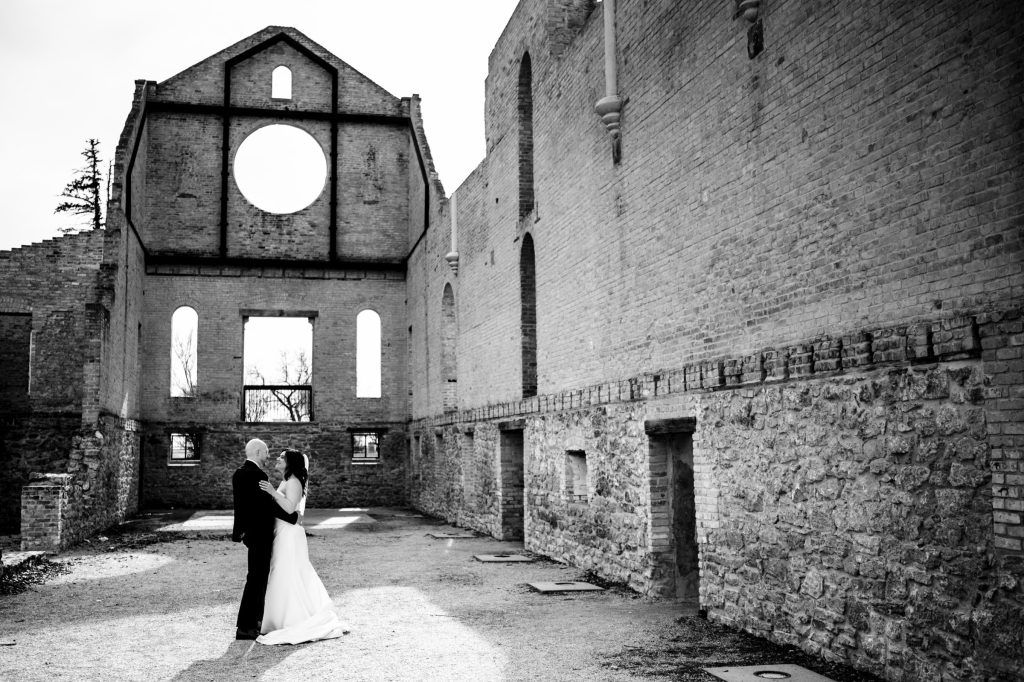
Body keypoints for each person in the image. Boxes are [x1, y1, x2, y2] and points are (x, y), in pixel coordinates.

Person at [255, 449, 347, 645]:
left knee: (287, 571)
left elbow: (289, 508)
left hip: (289, 533)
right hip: (282, 531)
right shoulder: (286, 480)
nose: (278, 459)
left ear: (290, 462)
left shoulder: (295, 480)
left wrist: (272, 492)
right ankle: (278, 618)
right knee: (281, 571)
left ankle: (293, 619)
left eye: (282, 457)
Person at [232, 438, 299, 640]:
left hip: (250, 534)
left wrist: (240, 532)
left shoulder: (239, 473)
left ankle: (254, 621)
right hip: (260, 534)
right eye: (267, 452)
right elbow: (266, 505)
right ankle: (246, 626)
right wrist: (292, 516)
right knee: (256, 579)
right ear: (259, 452)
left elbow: (240, 507)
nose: (269, 456)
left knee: (256, 577)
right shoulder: (257, 475)